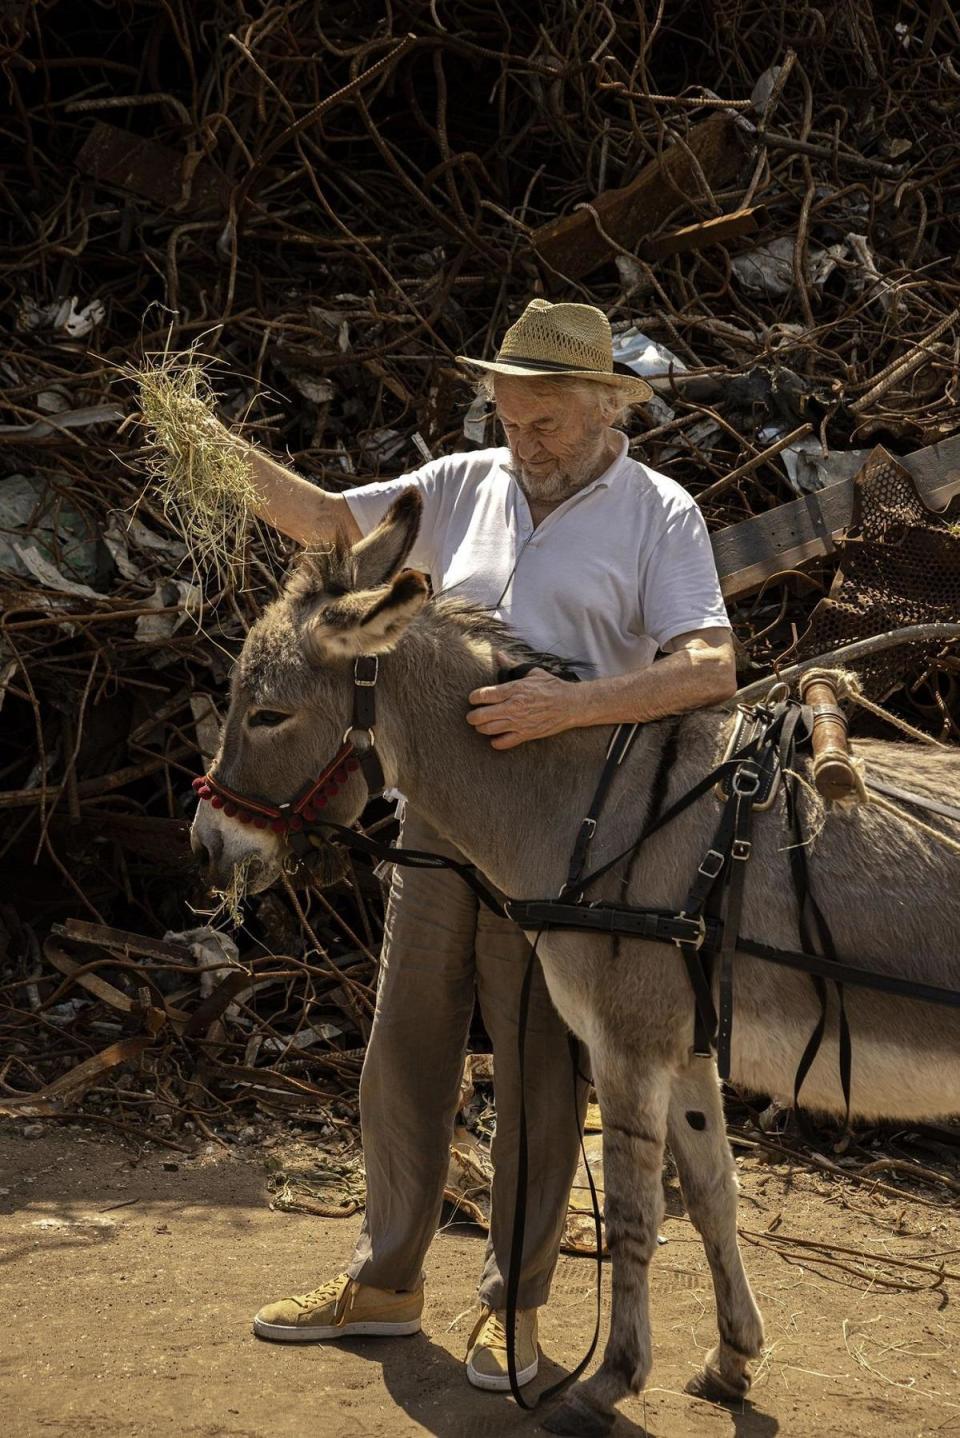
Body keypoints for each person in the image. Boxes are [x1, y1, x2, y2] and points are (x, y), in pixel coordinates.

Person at [236, 300, 736, 1388]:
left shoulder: (661, 513)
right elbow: (326, 518)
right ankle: (384, 1278)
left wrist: (573, 706)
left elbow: (709, 670)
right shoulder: (462, 482)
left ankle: (514, 1306)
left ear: (611, 408)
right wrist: (194, 441)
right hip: (439, 817)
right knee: (403, 1044)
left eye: (548, 422)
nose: (526, 442)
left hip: (567, 840)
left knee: (538, 1069)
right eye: (510, 419)